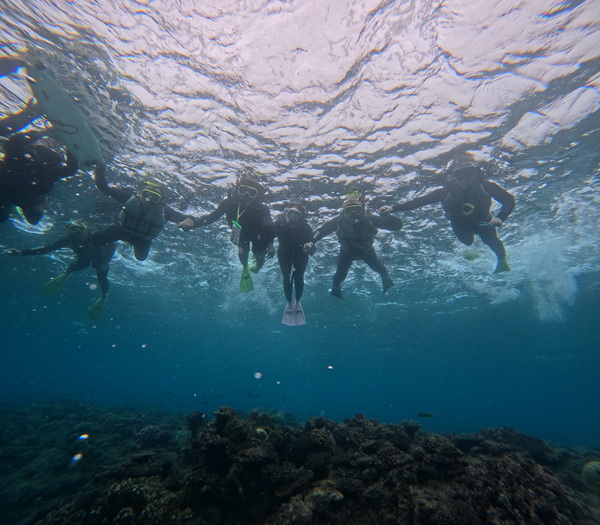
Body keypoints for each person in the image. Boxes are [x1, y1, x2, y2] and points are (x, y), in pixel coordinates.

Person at [380, 153, 515, 273]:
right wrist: (393, 208)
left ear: (476, 173)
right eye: (460, 174)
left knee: (491, 241)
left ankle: (502, 262)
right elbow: (419, 202)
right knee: (467, 242)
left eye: (469, 173)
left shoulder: (487, 186)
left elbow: (509, 201)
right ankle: (475, 247)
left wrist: (500, 218)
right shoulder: (445, 191)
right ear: (454, 176)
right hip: (459, 225)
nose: (465, 179)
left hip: (484, 222)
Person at [183, 169, 275, 293]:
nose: (246, 196)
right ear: (237, 191)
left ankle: (257, 267)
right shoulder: (229, 203)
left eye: (251, 193)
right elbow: (211, 217)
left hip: (259, 235)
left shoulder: (263, 209)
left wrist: (270, 245)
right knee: (242, 251)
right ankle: (245, 267)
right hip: (241, 234)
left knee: (260, 257)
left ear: (256, 196)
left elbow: (270, 228)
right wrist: (193, 223)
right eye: (243, 191)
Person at [3, 220, 116, 319]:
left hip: (101, 259)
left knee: (101, 276)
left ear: (87, 230)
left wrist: (106, 261)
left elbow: (113, 244)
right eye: (73, 229)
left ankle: (104, 295)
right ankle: (67, 273)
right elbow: (47, 248)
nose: (77, 233)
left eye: (80, 229)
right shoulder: (68, 240)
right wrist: (21, 252)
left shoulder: (96, 236)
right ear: (69, 231)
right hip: (84, 259)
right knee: (72, 267)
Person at [90, 163, 195, 261]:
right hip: (121, 229)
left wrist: (189, 221)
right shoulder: (129, 198)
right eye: (146, 194)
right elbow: (103, 187)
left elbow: (184, 218)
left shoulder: (165, 211)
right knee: (94, 241)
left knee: (141, 258)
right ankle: (106, 249)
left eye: (154, 197)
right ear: (140, 193)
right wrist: (100, 168)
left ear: (161, 199)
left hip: (142, 239)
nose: (148, 200)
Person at [312, 193, 403, 300]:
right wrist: (311, 241)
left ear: (362, 209)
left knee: (378, 267)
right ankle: (335, 288)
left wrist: (389, 218)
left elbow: (397, 226)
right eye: (349, 211)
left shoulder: (370, 219)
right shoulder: (337, 221)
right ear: (344, 211)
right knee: (340, 275)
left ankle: (386, 280)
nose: (354, 214)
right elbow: (320, 232)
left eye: (357, 210)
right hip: (347, 252)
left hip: (366, 251)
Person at [0, 129, 79, 225]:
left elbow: (66, 171)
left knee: (63, 166)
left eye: (42, 209)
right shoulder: (15, 197)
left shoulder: (32, 193)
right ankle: (47, 134)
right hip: (17, 150)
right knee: (54, 162)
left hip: (22, 155)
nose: (46, 206)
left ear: (34, 209)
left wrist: (70, 148)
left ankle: (61, 141)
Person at [273, 200, 316, 326]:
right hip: (284, 252)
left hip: (300, 253)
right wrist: (267, 246)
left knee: (298, 277)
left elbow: (312, 246)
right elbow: (268, 236)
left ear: (301, 217)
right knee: (286, 277)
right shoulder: (278, 224)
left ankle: (298, 301)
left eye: (296, 215)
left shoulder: (306, 227)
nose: (292, 217)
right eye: (290, 213)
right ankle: (289, 302)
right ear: (285, 213)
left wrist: (310, 247)